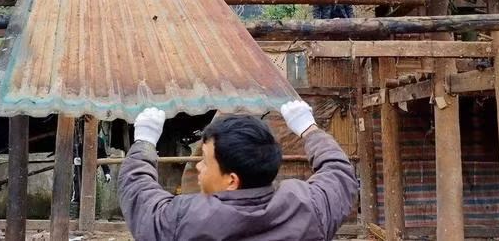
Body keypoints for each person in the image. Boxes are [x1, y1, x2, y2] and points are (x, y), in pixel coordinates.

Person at [119, 101, 358, 241]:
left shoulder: (185, 218)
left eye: (205, 161)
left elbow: (140, 195)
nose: (199, 166)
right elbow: (338, 173)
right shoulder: (307, 207)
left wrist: (144, 142)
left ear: (232, 180)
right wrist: (309, 129)